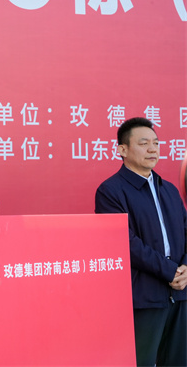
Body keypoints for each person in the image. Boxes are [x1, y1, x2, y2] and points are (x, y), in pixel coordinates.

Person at [95, 117, 187, 366]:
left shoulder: (169, 189)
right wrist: (170, 271)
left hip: (180, 294)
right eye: (144, 143)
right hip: (143, 297)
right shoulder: (110, 191)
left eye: (156, 143)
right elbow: (126, 243)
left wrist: (185, 268)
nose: (152, 149)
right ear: (122, 150)